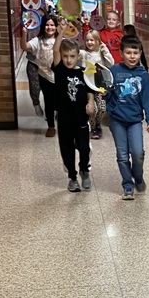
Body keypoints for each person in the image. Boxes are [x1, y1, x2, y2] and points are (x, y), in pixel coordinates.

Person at [105, 34, 149, 200]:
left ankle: (138, 176)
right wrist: (107, 103)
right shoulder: (113, 71)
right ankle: (127, 184)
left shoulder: (143, 75)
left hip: (135, 120)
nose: (132, 56)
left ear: (140, 53)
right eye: (128, 53)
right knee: (122, 154)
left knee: (137, 152)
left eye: (135, 53)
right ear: (121, 53)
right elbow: (105, 92)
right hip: (117, 120)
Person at [51, 23, 94, 192]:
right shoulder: (60, 70)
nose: (68, 59)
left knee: (84, 147)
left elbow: (90, 89)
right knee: (67, 149)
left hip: (81, 117)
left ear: (78, 56)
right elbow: (55, 50)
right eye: (65, 56)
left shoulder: (83, 72)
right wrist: (61, 32)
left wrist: (90, 103)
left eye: (72, 56)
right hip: (64, 118)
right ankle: (72, 177)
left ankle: (84, 169)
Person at [20, 14, 58, 136]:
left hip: (58, 76)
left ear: (56, 27)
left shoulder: (60, 40)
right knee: (48, 101)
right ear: (43, 26)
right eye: (47, 25)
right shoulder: (38, 40)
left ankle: (60, 120)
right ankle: (51, 126)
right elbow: (25, 47)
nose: (49, 27)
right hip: (44, 75)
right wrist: (24, 34)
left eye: (52, 25)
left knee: (58, 101)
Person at [81, 28, 114, 140]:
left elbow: (111, 63)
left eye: (92, 40)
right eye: (87, 40)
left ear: (98, 41)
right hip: (87, 86)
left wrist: (105, 51)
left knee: (102, 107)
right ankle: (93, 126)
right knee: (91, 109)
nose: (89, 42)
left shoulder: (102, 53)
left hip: (99, 86)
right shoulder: (84, 53)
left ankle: (98, 123)